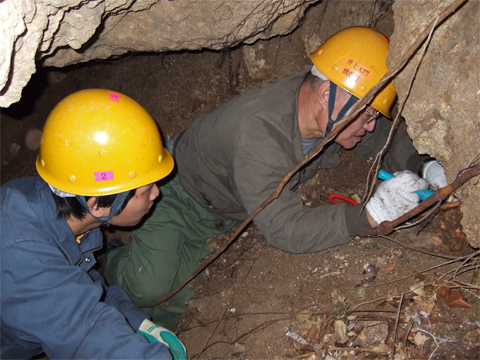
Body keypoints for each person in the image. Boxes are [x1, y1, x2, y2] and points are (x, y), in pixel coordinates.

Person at [104, 27, 448, 328]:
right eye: (367, 116)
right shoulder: (260, 134)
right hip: (177, 194)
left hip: (230, 201)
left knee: (185, 298)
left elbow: (379, 139)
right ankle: (108, 257)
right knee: (150, 288)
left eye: (374, 116)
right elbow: (285, 229)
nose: (371, 126)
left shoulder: (325, 110)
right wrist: (369, 215)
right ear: (327, 95)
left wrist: (423, 166)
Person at [0, 89, 187, 359]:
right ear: (98, 204)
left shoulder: (63, 215)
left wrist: (139, 323)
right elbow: (85, 335)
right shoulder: (21, 254)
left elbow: (87, 290)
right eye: (146, 189)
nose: (157, 193)